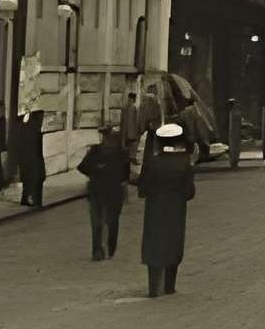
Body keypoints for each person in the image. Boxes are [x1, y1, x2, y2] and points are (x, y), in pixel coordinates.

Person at [137, 120, 197, 297]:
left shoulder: (152, 163)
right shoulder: (185, 163)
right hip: (176, 211)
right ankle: (170, 286)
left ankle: (153, 287)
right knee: (173, 244)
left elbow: (143, 190)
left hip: (154, 211)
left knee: (153, 245)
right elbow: (189, 193)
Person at [77, 122, 131, 260]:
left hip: (96, 189)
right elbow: (125, 175)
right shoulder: (122, 153)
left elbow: (82, 167)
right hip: (114, 190)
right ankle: (110, 249)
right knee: (112, 221)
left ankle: (97, 251)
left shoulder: (95, 151)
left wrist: (95, 172)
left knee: (96, 222)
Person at [13, 106, 47, 208]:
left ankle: (27, 199)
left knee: (29, 181)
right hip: (32, 160)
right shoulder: (34, 131)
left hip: (27, 160)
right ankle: (35, 201)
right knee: (35, 180)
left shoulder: (25, 128)